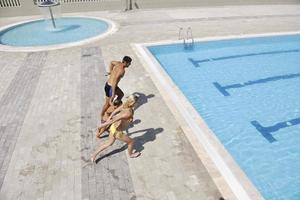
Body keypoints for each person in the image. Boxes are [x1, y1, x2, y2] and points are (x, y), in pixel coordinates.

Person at [91, 94, 141, 162]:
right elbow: (114, 120)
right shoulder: (128, 113)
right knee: (131, 142)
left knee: (109, 143)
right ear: (132, 103)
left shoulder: (124, 106)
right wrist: (102, 125)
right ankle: (130, 154)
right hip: (117, 132)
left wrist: (109, 117)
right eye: (136, 102)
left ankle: (94, 155)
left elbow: (115, 111)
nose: (137, 104)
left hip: (113, 127)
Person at [100, 56, 132, 123]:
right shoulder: (122, 71)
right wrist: (113, 93)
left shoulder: (118, 63)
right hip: (110, 87)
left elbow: (111, 62)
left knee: (121, 94)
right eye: (129, 63)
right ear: (125, 62)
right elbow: (114, 81)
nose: (130, 64)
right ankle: (102, 116)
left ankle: (114, 107)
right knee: (107, 104)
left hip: (109, 85)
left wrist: (111, 72)